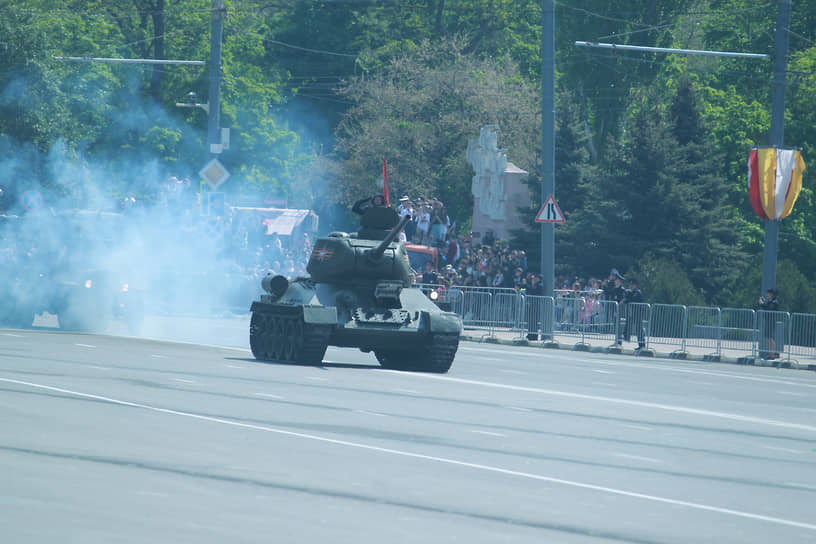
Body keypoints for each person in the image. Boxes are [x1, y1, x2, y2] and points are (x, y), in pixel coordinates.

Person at [623, 278, 646, 349]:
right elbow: (628, 298)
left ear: (635, 285)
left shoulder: (637, 292)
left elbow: (631, 299)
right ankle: (626, 336)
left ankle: (642, 345)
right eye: (630, 285)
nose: (630, 286)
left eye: (632, 285)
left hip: (638, 313)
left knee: (639, 329)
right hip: (634, 313)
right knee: (630, 324)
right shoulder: (632, 292)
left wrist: (626, 300)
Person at [758, 287, 780, 359]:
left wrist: (762, 304)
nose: (767, 294)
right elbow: (767, 307)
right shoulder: (770, 302)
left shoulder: (774, 302)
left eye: (769, 293)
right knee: (769, 338)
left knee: (770, 338)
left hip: (771, 321)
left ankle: (772, 354)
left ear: (773, 294)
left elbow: (768, 308)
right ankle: (771, 353)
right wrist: (764, 303)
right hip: (768, 321)